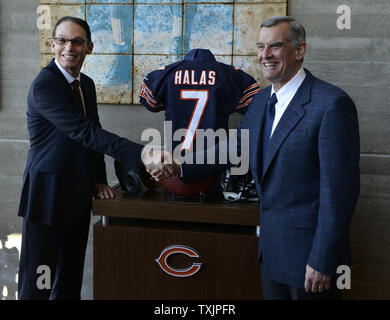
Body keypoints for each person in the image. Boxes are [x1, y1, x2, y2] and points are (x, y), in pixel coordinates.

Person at [149, 16, 360, 300]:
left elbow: (340, 194)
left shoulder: (331, 104)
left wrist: (323, 259)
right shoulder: (261, 100)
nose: (265, 55)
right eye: (261, 47)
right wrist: (178, 164)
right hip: (271, 254)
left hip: (311, 260)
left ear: (299, 50)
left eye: (275, 46)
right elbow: (235, 147)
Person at [17, 16, 174, 300]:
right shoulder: (45, 85)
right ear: (52, 44)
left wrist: (99, 179)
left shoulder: (86, 84)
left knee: (69, 283)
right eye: (62, 40)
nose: (69, 47)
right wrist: (143, 153)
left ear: (89, 47)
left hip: (77, 198)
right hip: (47, 200)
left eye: (77, 41)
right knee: (39, 286)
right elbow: (82, 132)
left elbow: (94, 132)